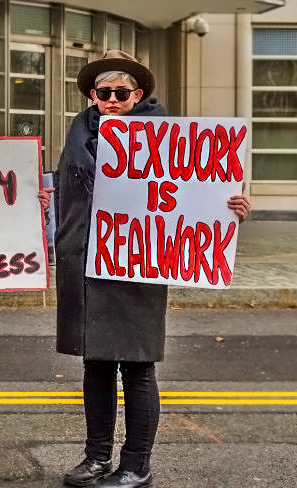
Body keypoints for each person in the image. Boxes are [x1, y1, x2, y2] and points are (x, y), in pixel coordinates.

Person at [54, 50, 251, 488]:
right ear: (93, 95)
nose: (110, 100)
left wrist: (231, 209)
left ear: (137, 94)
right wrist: (46, 195)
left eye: (120, 93)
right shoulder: (80, 132)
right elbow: (69, 189)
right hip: (86, 265)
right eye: (102, 92)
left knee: (137, 367)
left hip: (136, 267)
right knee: (96, 366)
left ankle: (136, 464)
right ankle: (96, 457)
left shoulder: (167, 139)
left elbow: (198, 192)